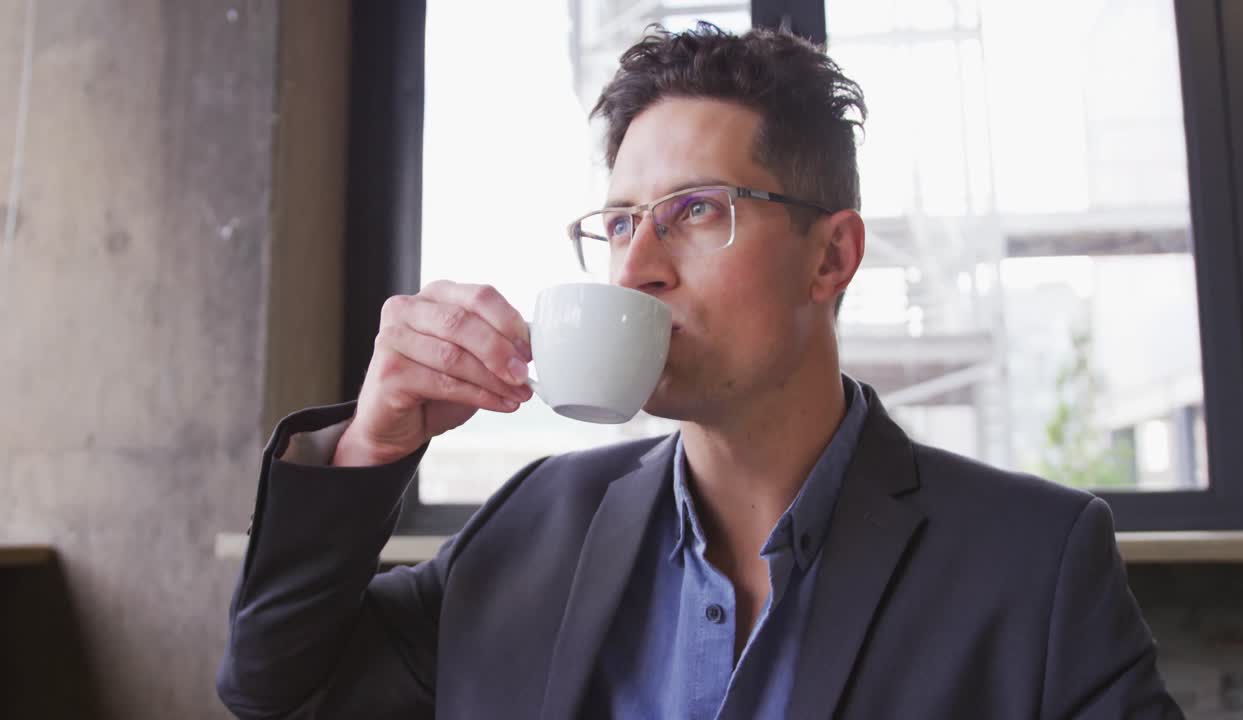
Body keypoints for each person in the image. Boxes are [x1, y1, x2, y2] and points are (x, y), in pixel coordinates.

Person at [217, 24, 1182, 720]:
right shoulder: (536, 527)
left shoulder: (1033, 562)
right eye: (622, 221)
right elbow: (274, 684)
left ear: (831, 258)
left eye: (694, 211)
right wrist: (372, 442)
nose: (638, 266)